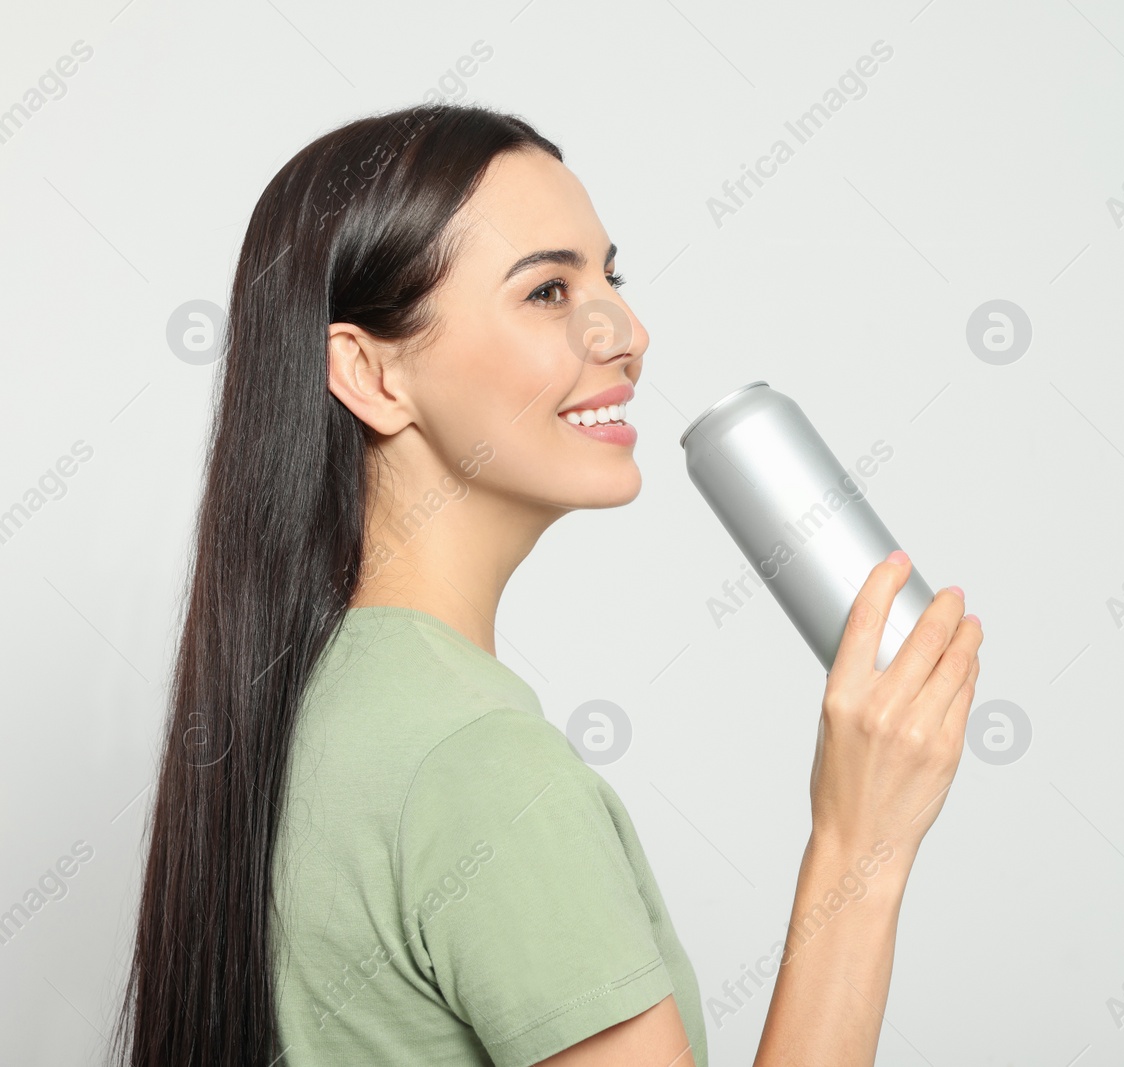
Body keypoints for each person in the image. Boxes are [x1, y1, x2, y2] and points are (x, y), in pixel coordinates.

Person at [111, 102, 983, 1067]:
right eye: (546, 293)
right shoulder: (479, 764)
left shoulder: (324, 703)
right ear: (368, 372)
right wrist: (860, 848)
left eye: (609, 276)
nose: (627, 332)